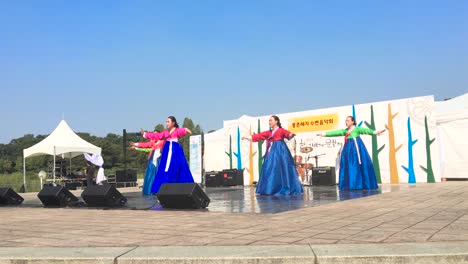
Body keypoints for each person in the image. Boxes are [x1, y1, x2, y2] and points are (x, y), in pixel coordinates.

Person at [317, 116, 385, 190]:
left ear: (353, 122)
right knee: (349, 166)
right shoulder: (345, 131)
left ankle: (361, 184)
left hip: (357, 149)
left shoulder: (357, 129)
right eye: (346, 121)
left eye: (348, 120)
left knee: (358, 165)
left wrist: (376, 132)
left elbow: (366, 131)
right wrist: (324, 134)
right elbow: (335, 132)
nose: (346, 122)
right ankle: (350, 185)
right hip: (348, 150)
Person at [242, 115, 303, 195]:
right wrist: (247, 137)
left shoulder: (281, 130)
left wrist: (291, 135)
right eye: (269, 121)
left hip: (281, 150)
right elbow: (259, 136)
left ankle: (286, 187)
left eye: (271, 120)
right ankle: (270, 188)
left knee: (284, 168)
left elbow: (287, 134)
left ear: (276, 121)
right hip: (272, 151)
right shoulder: (269, 132)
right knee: (269, 167)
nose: (269, 122)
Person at [142, 116, 194, 193]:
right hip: (167, 151)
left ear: (173, 123)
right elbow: (157, 136)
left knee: (177, 167)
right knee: (165, 168)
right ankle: (163, 188)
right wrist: (146, 134)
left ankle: (180, 186)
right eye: (166, 122)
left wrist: (186, 130)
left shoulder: (176, 131)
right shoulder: (166, 133)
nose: (167, 123)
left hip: (175, 151)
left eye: (168, 122)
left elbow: (182, 131)